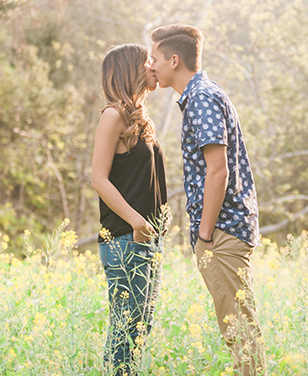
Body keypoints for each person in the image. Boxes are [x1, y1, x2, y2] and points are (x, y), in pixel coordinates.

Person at [149, 24, 266, 375]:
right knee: (236, 327)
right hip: (224, 229)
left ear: (174, 60)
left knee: (240, 329)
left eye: (153, 58)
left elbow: (219, 171)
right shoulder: (199, 96)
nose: (149, 66)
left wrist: (204, 234)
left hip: (224, 231)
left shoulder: (201, 97)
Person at [91, 43, 169, 376]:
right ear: (130, 69)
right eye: (146, 61)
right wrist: (137, 221)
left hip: (147, 240)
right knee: (125, 335)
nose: (153, 65)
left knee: (139, 332)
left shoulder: (141, 119)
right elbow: (98, 179)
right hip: (125, 241)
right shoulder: (113, 116)